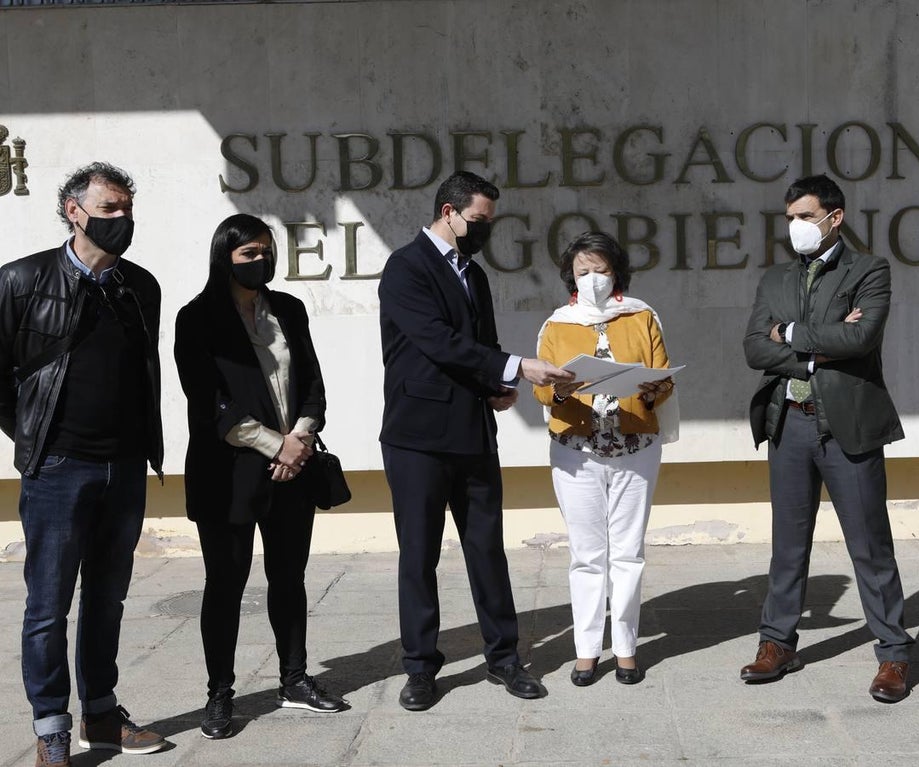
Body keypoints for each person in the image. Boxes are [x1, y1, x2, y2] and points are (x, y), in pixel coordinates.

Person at [378, 170, 575, 711]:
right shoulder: (405, 267)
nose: (485, 230)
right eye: (479, 221)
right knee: (418, 555)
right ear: (449, 212)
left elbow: (477, 345)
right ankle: (420, 668)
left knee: (487, 550)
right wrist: (516, 366)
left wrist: (497, 385)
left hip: (471, 432)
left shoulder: (474, 274)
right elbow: (436, 342)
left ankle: (505, 659)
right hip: (417, 439)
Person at [0, 162, 166, 766]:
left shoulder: (139, 286)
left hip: (123, 468)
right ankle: (51, 730)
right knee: (47, 606)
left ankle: (101, 713)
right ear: (74, 211)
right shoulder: (21, 281)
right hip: (58, 468)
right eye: (110, 209)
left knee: (107, 599)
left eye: (127, 208)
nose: (122, 219)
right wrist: (33, 435)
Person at [174, 214, 349, 740]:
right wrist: (280, 445)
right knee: (224, 586)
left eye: (267, 252)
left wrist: (301, 436)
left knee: (289, 579)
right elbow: (211, 405)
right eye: (249, 253)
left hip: (291, 470)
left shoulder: (290, 310)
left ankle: (294, 680)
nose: (260, 262)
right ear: (224, 256)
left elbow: (313, 382)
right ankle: (220, 695)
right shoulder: (197, 318)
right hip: (227, 473)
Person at [741, 174, 914, 703]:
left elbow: (862, 337)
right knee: (787, 546)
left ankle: (893, 654)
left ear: (834, 218)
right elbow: (753, 348)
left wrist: (789, 335)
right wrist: (822, 345)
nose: (795, 226)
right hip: (788, 422)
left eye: (805, 217)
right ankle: (777, 643)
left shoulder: (869, 269)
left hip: (847, 425)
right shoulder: (775, 279)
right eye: (790, 217)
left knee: (869, 544)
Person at [532, 231, 677, 687]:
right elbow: (541, 388)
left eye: (601, 270)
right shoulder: (556, 325)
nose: (593, 278)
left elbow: (663, 373)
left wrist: (657, 387)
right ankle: (587, 650)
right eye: (583, 271)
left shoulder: (641, 316)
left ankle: (628, 648)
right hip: (577, 451)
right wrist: (560, 388)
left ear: (616, 273)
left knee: (629, 552)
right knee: (587, 555)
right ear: (570, 278)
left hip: (635, 448)